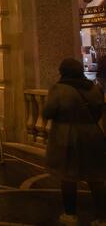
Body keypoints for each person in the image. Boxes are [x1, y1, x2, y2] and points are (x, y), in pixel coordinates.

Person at [43, 58, 106, 225]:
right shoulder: (94, 88)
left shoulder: (59, 89)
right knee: (96, 177)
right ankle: (102, 217)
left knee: (68, 176)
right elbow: (99, 111)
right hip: (92, 135)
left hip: (67, 136)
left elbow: (48, 112)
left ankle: (70, 215)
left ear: (63, 71)